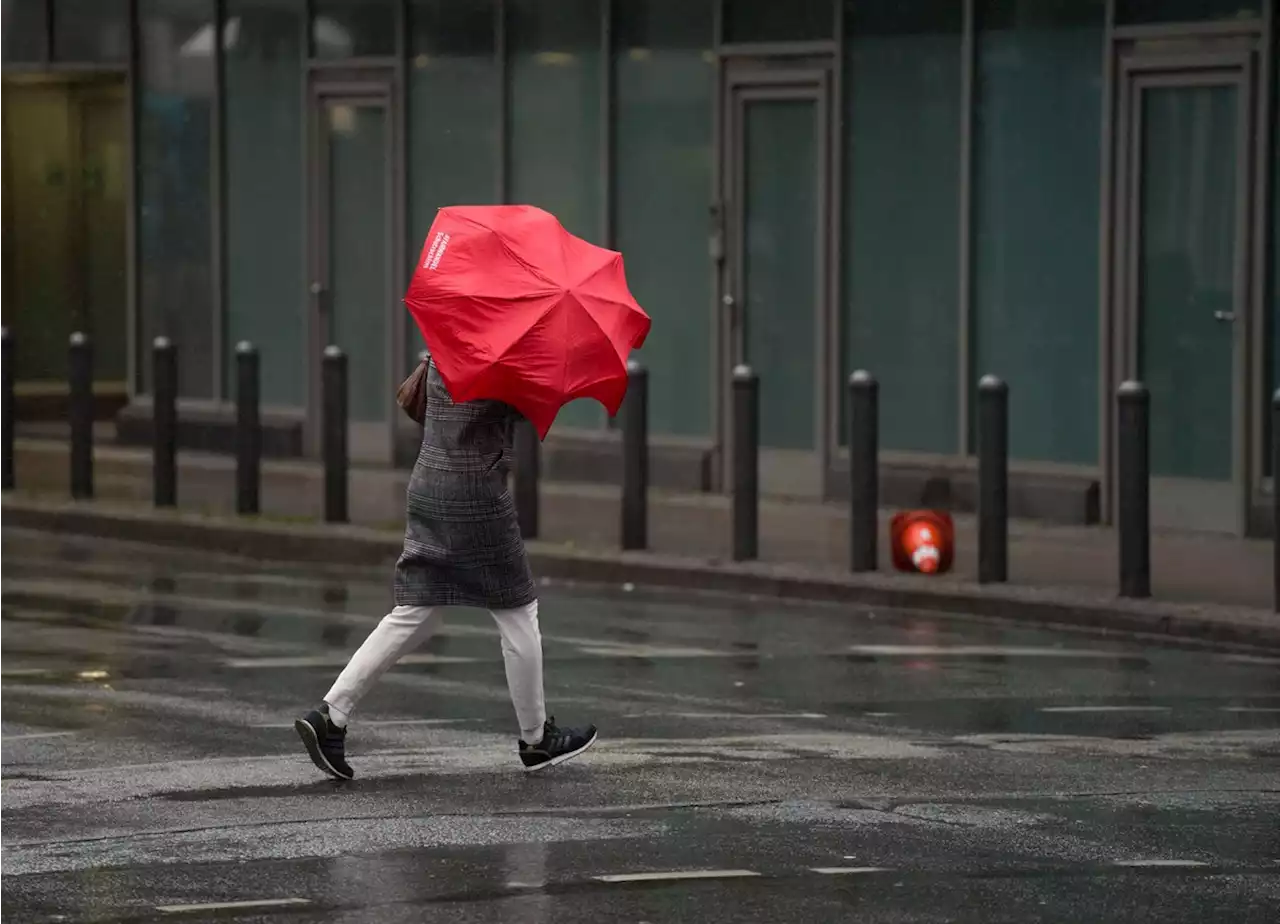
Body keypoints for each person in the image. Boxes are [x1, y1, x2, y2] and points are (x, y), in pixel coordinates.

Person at [295, 354, 597, 779]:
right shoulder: (500, 355)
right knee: (517, 609)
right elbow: (528, 409)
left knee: (417, 610)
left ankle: (331, 714)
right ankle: (536, 740)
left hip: (429, 484)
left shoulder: (447, 340)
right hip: (475, 495)